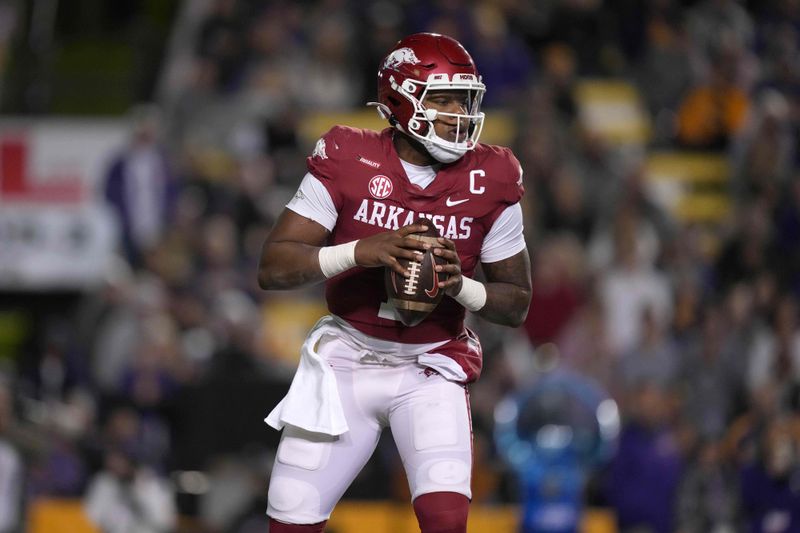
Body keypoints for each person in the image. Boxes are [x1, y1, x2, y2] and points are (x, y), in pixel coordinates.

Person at [257, 33, 532, 533]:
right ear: (400, 99)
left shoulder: (491, 176)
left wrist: (459, 286)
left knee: (445, 518)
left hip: (430, 365)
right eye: (443, 99)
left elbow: (516, 303)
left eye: (465, 99)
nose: (459, 113)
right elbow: (274, 266)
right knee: (291, 514)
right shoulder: (348, 155)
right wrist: (362, 250)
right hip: (347, 358)